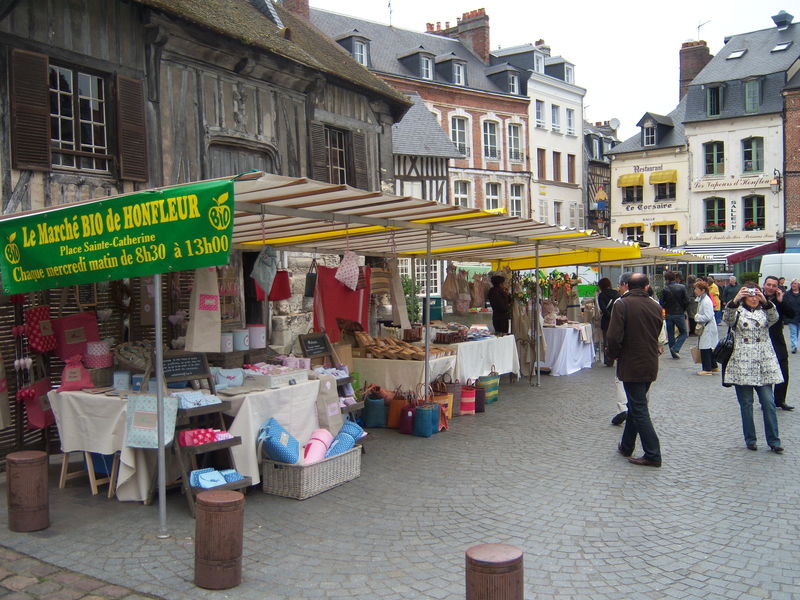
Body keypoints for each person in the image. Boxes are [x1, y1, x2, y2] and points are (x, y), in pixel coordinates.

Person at [606, 272, 664, 467]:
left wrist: (613, 355)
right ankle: (626, 445)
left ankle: (653, 453)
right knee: (635, 403)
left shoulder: (621, 305)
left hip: (631, 362)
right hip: (649, 361)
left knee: (639, 408)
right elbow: (656, 331)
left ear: (627, 286)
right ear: (647, 287)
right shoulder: (655, 306)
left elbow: (614, 336)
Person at [723, 284, 784, 452]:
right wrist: (734, 300)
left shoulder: (765, 310)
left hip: (763, 362)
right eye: (749, 294)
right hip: (742, 362)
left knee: (768, 403)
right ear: (743, 297)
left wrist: (766, 301)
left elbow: (775, 318)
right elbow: (727, 319)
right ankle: (750, 439)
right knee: (746, 404)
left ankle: (774, 441)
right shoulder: (737, 311)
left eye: (756, 294)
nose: (753, 297)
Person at [762, 275, 795, 410]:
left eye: (773, 285)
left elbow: (792, 314)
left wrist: (781, 301)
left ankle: (780, 400)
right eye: (768, 284)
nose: (770, 287)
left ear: (777, 287)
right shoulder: (756, 299)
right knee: (765, 373)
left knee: (783, 371)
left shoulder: (779, 299)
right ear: (764, 285)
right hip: (762, 342)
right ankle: (766, 400)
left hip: (777, 340)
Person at [659, 270, 690, 359]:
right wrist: (683, 309)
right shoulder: (682, 287)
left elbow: (662, 302)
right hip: (679, 313)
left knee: (671, 334)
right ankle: (676, 348)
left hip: (669, 313)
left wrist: (666, 308)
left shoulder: (664, 289)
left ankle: (673, 352)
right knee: (684, 332)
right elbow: (687, 301)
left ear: (666, 279)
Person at [692, 280, 719, 375]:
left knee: (705, 348)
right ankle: (713, 366)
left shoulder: (706, 301)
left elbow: (708, 316)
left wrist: (697, 317)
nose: (695, 290)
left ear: (702, 290)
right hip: (707, 327)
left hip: (708, 327)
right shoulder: (702, 299)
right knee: (707, 347)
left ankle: (707, 369)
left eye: (696, 289)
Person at [596, 277, 620, 368]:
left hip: (606, 321)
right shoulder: (616, 294)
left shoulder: (601, 295)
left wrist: (609, 315)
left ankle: (608, 360)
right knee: (615, 340)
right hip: (616, 320)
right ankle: (615, 357)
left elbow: (603, 309)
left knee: (606, 340)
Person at [784, 279, 800, 354]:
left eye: (795, 283)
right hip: (791, 317)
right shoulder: (787, 294)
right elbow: (785, 305)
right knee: (793, 332)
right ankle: (794, 347)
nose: (794, 285)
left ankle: (795, 344)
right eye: (793, 283)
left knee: (797, 332)